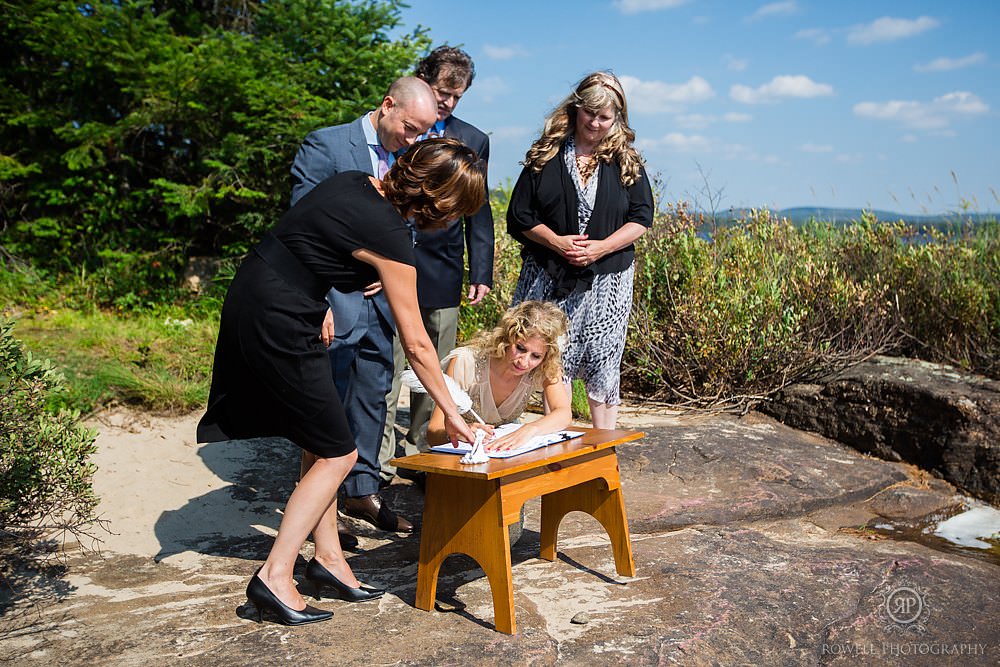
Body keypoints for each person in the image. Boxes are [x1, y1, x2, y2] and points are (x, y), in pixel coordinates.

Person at [197, 138, 484, 625]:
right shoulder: (391, 236)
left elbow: (313, 243)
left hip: (265, 297)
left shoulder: (354, 184)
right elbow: (416, 344)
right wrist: (453, 414)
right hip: (282, 315)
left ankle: (328, 560)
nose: (456, 221)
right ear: (438, 199)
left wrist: (353, 273)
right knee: (340, 452)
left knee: (321, 436)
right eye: (458, 210)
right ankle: (274, 575)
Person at [289, 76, 438, 544]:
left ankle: (363, 490)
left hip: (382, 302)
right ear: (387, 105)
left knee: (375, 391)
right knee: (326, 403)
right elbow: (302, 225)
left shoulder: (410, 154)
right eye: (410, 129)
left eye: (423, 134)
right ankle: (320, 512)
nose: (414, 141)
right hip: (337, 296)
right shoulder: (327, 145)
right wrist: (320, 298)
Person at [506, 71, 653, 430]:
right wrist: (555, 241)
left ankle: (604, 454)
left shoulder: (626, 160)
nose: (596, 123)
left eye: (606, 117)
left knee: (604, 362)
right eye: (590, 113)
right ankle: (561, 450)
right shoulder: (546, 153)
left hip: (609, 282)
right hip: (550, 276)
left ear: (617, 118)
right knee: (555, 358)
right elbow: (520, 215)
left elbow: (642, 216)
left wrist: (601, 248)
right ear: (576, 109)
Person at [379, 46, 495, 479]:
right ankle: (381, 461)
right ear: (422, 80)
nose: (447, 101)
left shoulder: (474, 138)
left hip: (444, 266)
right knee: (388, 367)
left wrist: (480, 269)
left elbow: (477, 208)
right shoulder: (399, 127)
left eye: (457, 96)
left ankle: (421, 455)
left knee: (436, 368)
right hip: (389, 261)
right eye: (442, 90)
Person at [425, 301, 571, 453]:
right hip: (458, 455)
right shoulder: (466, 362)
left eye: (536, 356)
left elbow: (564, 413)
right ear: (508, 337)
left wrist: (530, 429)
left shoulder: (544, 367)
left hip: (505, 451)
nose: (524, 362)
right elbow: (433, 432)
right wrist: (459, 434)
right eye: (520, 348)